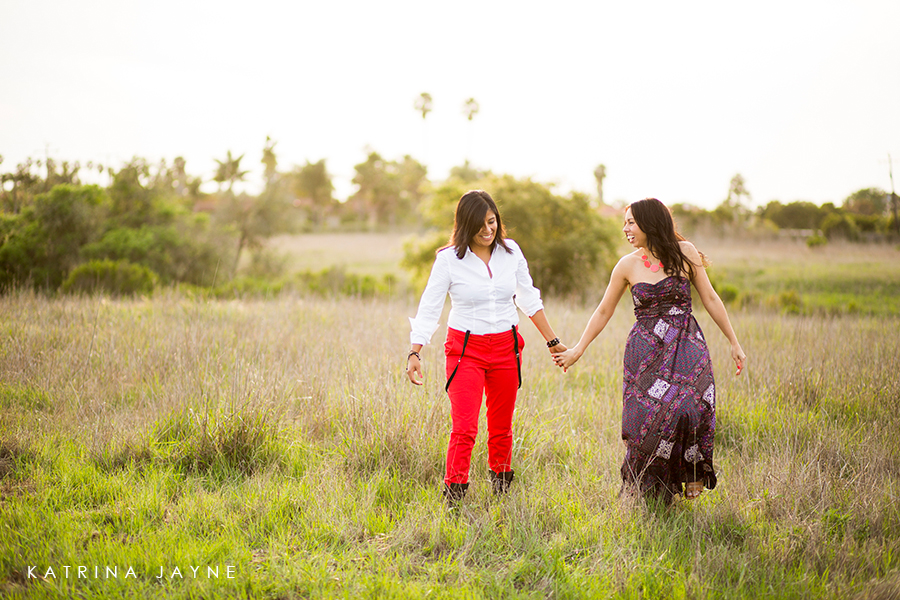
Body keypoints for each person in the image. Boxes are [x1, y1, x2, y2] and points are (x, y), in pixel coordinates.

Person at [552, 197, 746, 504]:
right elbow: (604, 311)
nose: (625, 229)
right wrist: (578, 349)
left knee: (693, 405)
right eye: (624, 222)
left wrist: (734, 342)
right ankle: (654, 492)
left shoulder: (686, 253)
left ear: (650, 222)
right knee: (644, 420)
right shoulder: (626, 265)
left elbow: (710, 298)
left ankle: (692, 469)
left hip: (685, 342)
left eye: (631, 222)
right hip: (645, 352)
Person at [406, 189, 566, 505]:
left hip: (507, 347)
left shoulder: (511, 253)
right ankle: (454, 495)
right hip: (466, 349)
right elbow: (430, 305)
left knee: (501, 427)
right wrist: (415, 351)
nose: (488, 230)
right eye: (480, 226)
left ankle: (502, 491)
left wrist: (553, 341)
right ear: (465, 226)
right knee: (465, 427)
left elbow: (529, 298)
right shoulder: (448, 260)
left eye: (492, 222)